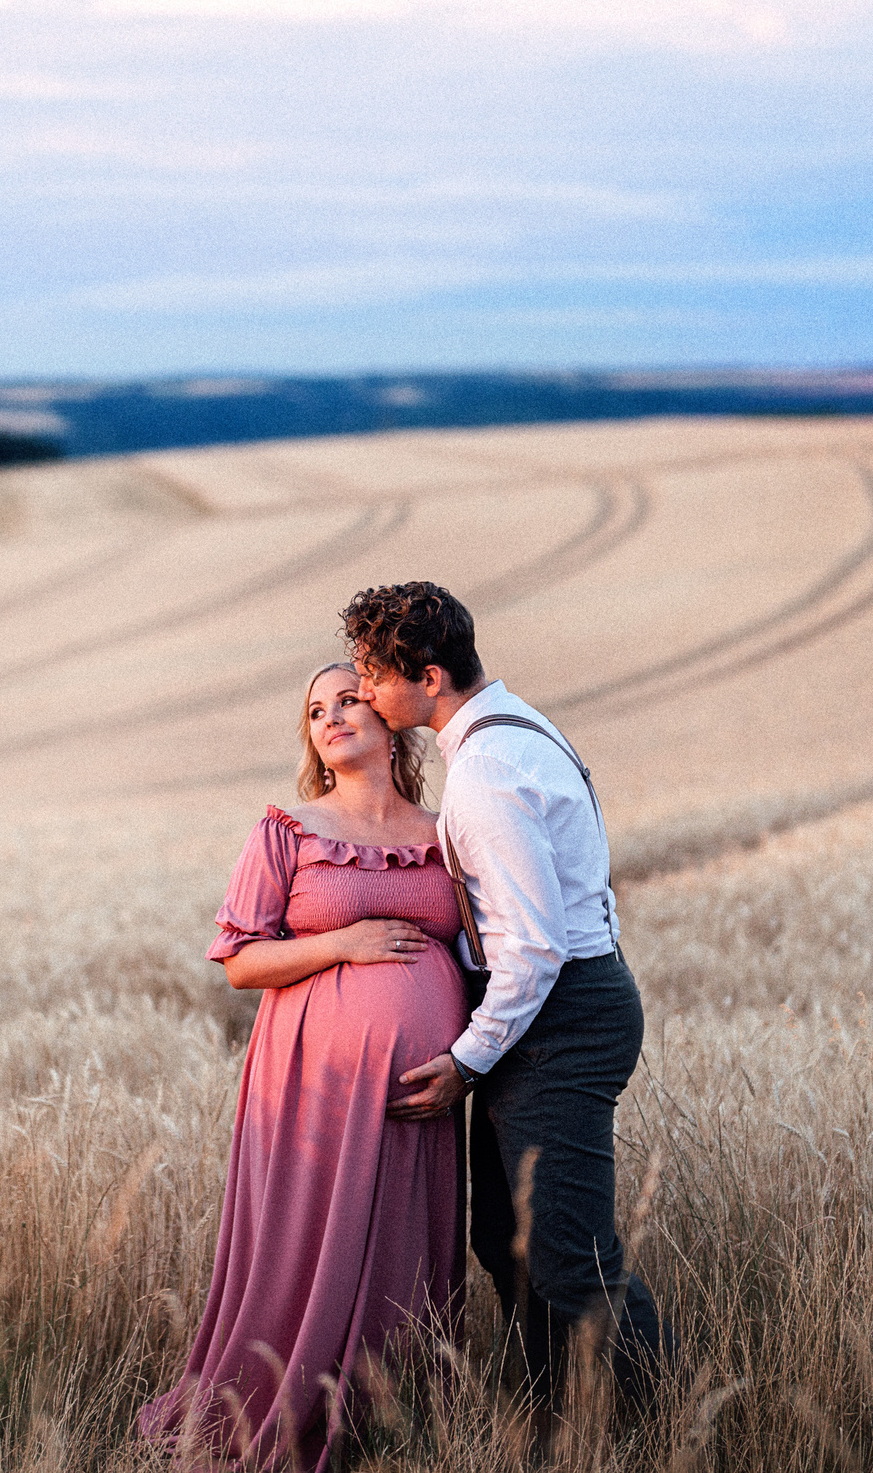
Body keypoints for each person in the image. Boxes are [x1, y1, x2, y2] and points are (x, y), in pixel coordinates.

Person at [342, 580, 671, 1419]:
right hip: (557, 1009)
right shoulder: (512, 723)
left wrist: (464, 1059)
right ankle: (551, 1418)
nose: (365, 694)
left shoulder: (486, 773)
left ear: (428, 675)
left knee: (569, 1259)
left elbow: (532, 948)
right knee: (507, 1242)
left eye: (375, 676)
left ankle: (671, 1423)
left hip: (558, 1019)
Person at [138, 663, 470, 1472]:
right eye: (316, 710)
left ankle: (390, 1418)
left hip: (423, 1093)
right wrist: (344, 943)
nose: (332, 715)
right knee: (306, 1245)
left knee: (402, 1245)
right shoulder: (286, 827)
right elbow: (240, 962)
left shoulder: (446, 829)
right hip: (313, 1087)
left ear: (392, 715)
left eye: (348, 698)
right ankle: (283, 1410)